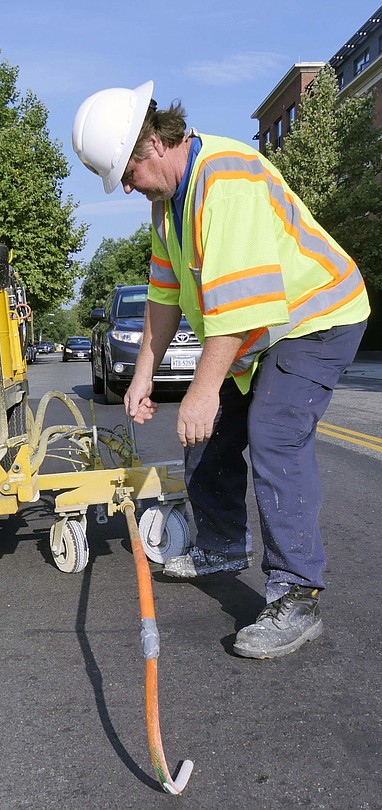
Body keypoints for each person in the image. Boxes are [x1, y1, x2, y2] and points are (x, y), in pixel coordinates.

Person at [72, 81, 370, 659]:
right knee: (205, 424)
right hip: (261, 332)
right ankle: (221, 543)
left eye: (127, 175)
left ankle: (298, 595)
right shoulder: (167, 211)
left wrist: (203, 390)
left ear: (151, 146)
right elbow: (162, 297)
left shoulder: (226, 178)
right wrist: (143, 375)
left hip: (319, 315)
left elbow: (239, 309)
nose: (129, 188)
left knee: (274, 431)